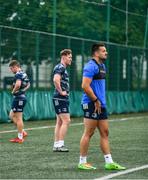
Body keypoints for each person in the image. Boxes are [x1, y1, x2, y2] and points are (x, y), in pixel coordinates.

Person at [78, 43, 126, 170]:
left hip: (101, 104)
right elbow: (84, 86)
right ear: (96, 53)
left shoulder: (102, 66)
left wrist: (100, 102)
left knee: (105, 132)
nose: (106, 53)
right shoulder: (90, 66)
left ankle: (109, 162)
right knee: (89, 132)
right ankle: (82, 162)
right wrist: (95, 100)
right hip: (90, 103)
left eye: (106, 51)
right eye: (103, 51)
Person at [52, 49, 72, 152]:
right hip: (60, 97)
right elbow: (56, 80)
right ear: (63, 56)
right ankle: (60, 145)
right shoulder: (60, 67)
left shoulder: (62, 68)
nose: (71, 59)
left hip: (59, 98)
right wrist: (61, 92)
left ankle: (56, 145)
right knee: (66, 120)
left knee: (59, 122)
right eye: (69, 57)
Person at [9, 60, 30, 143]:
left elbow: (17, 85)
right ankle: (22, 132)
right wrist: (23, 90)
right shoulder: (24, 73)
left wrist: (13, 91)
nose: (11, 71)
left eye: (11, 68)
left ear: (15, 67)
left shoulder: (18, 74)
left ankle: (20, 137)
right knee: (11, 115)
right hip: (22, 97)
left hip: (19, 98)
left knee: (19, 118)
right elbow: (28, 84)